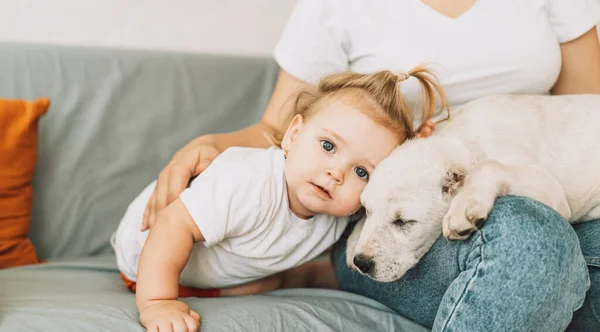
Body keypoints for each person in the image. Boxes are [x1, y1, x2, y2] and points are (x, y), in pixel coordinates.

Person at [141, 1, 600, 331]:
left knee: (560, 256)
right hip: (409, 213)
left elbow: (585, 113)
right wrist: (212, 144)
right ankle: (337, 267)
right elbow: (283, 128)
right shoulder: (337, 7)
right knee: (533, 243)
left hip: (541, 183)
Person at [112, 66, 447, 332]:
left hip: (216, 270)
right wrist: (157, 302)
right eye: (328, 146)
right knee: (183, 255)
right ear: (293, 135)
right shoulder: (248, 180)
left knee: (269, 284)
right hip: (145, 255)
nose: (336, 173)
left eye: (362, 172)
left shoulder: (340, 213)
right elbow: (171, 225)